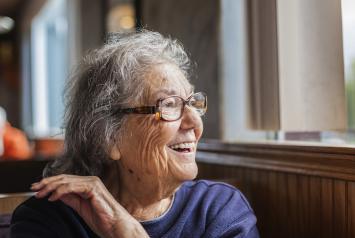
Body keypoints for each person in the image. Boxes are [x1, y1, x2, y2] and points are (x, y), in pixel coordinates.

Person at [10, 30, 259, 238]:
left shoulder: (219, 210)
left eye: (193, 103)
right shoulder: (48, 222)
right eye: (168, 104)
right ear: (109, 137)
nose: (194, 122)